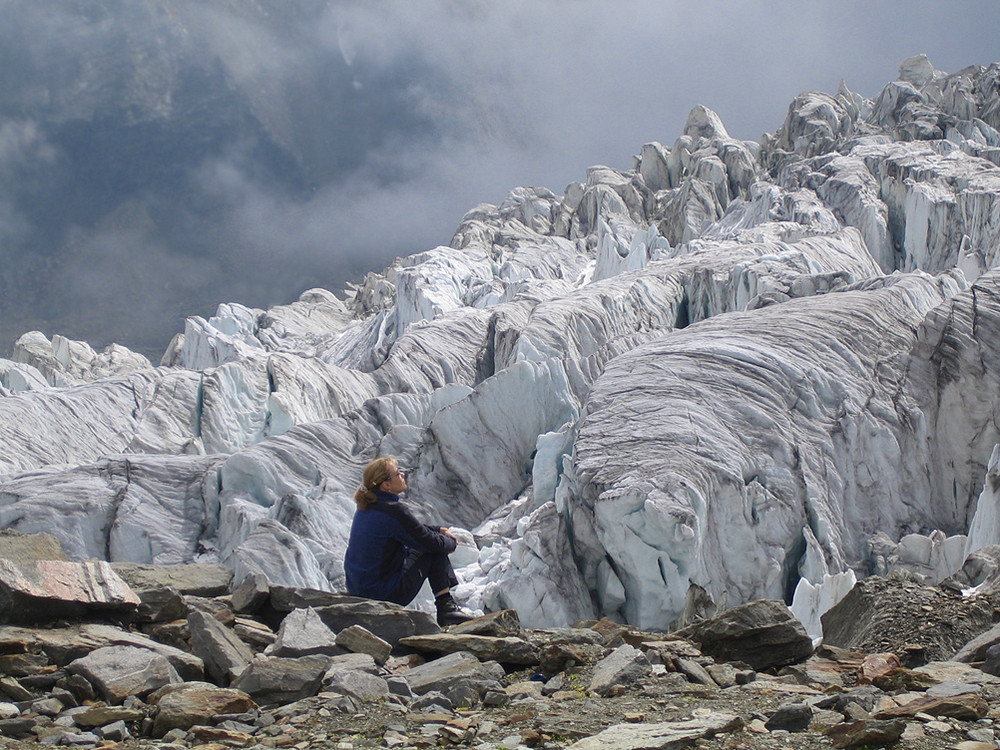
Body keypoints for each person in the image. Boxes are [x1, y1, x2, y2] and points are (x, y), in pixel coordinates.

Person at [343, 456, 474, 627]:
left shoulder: (368, 507)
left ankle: (447, 608)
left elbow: (410, 528)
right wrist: (450, 542)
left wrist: (436, 530)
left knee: (430, 541)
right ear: (386, 485)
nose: (403, 475)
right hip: (383, 594)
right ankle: (446, 608)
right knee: (432, 548)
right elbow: (428, 542)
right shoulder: (394, 511)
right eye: (397, 474)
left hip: (359, 590)